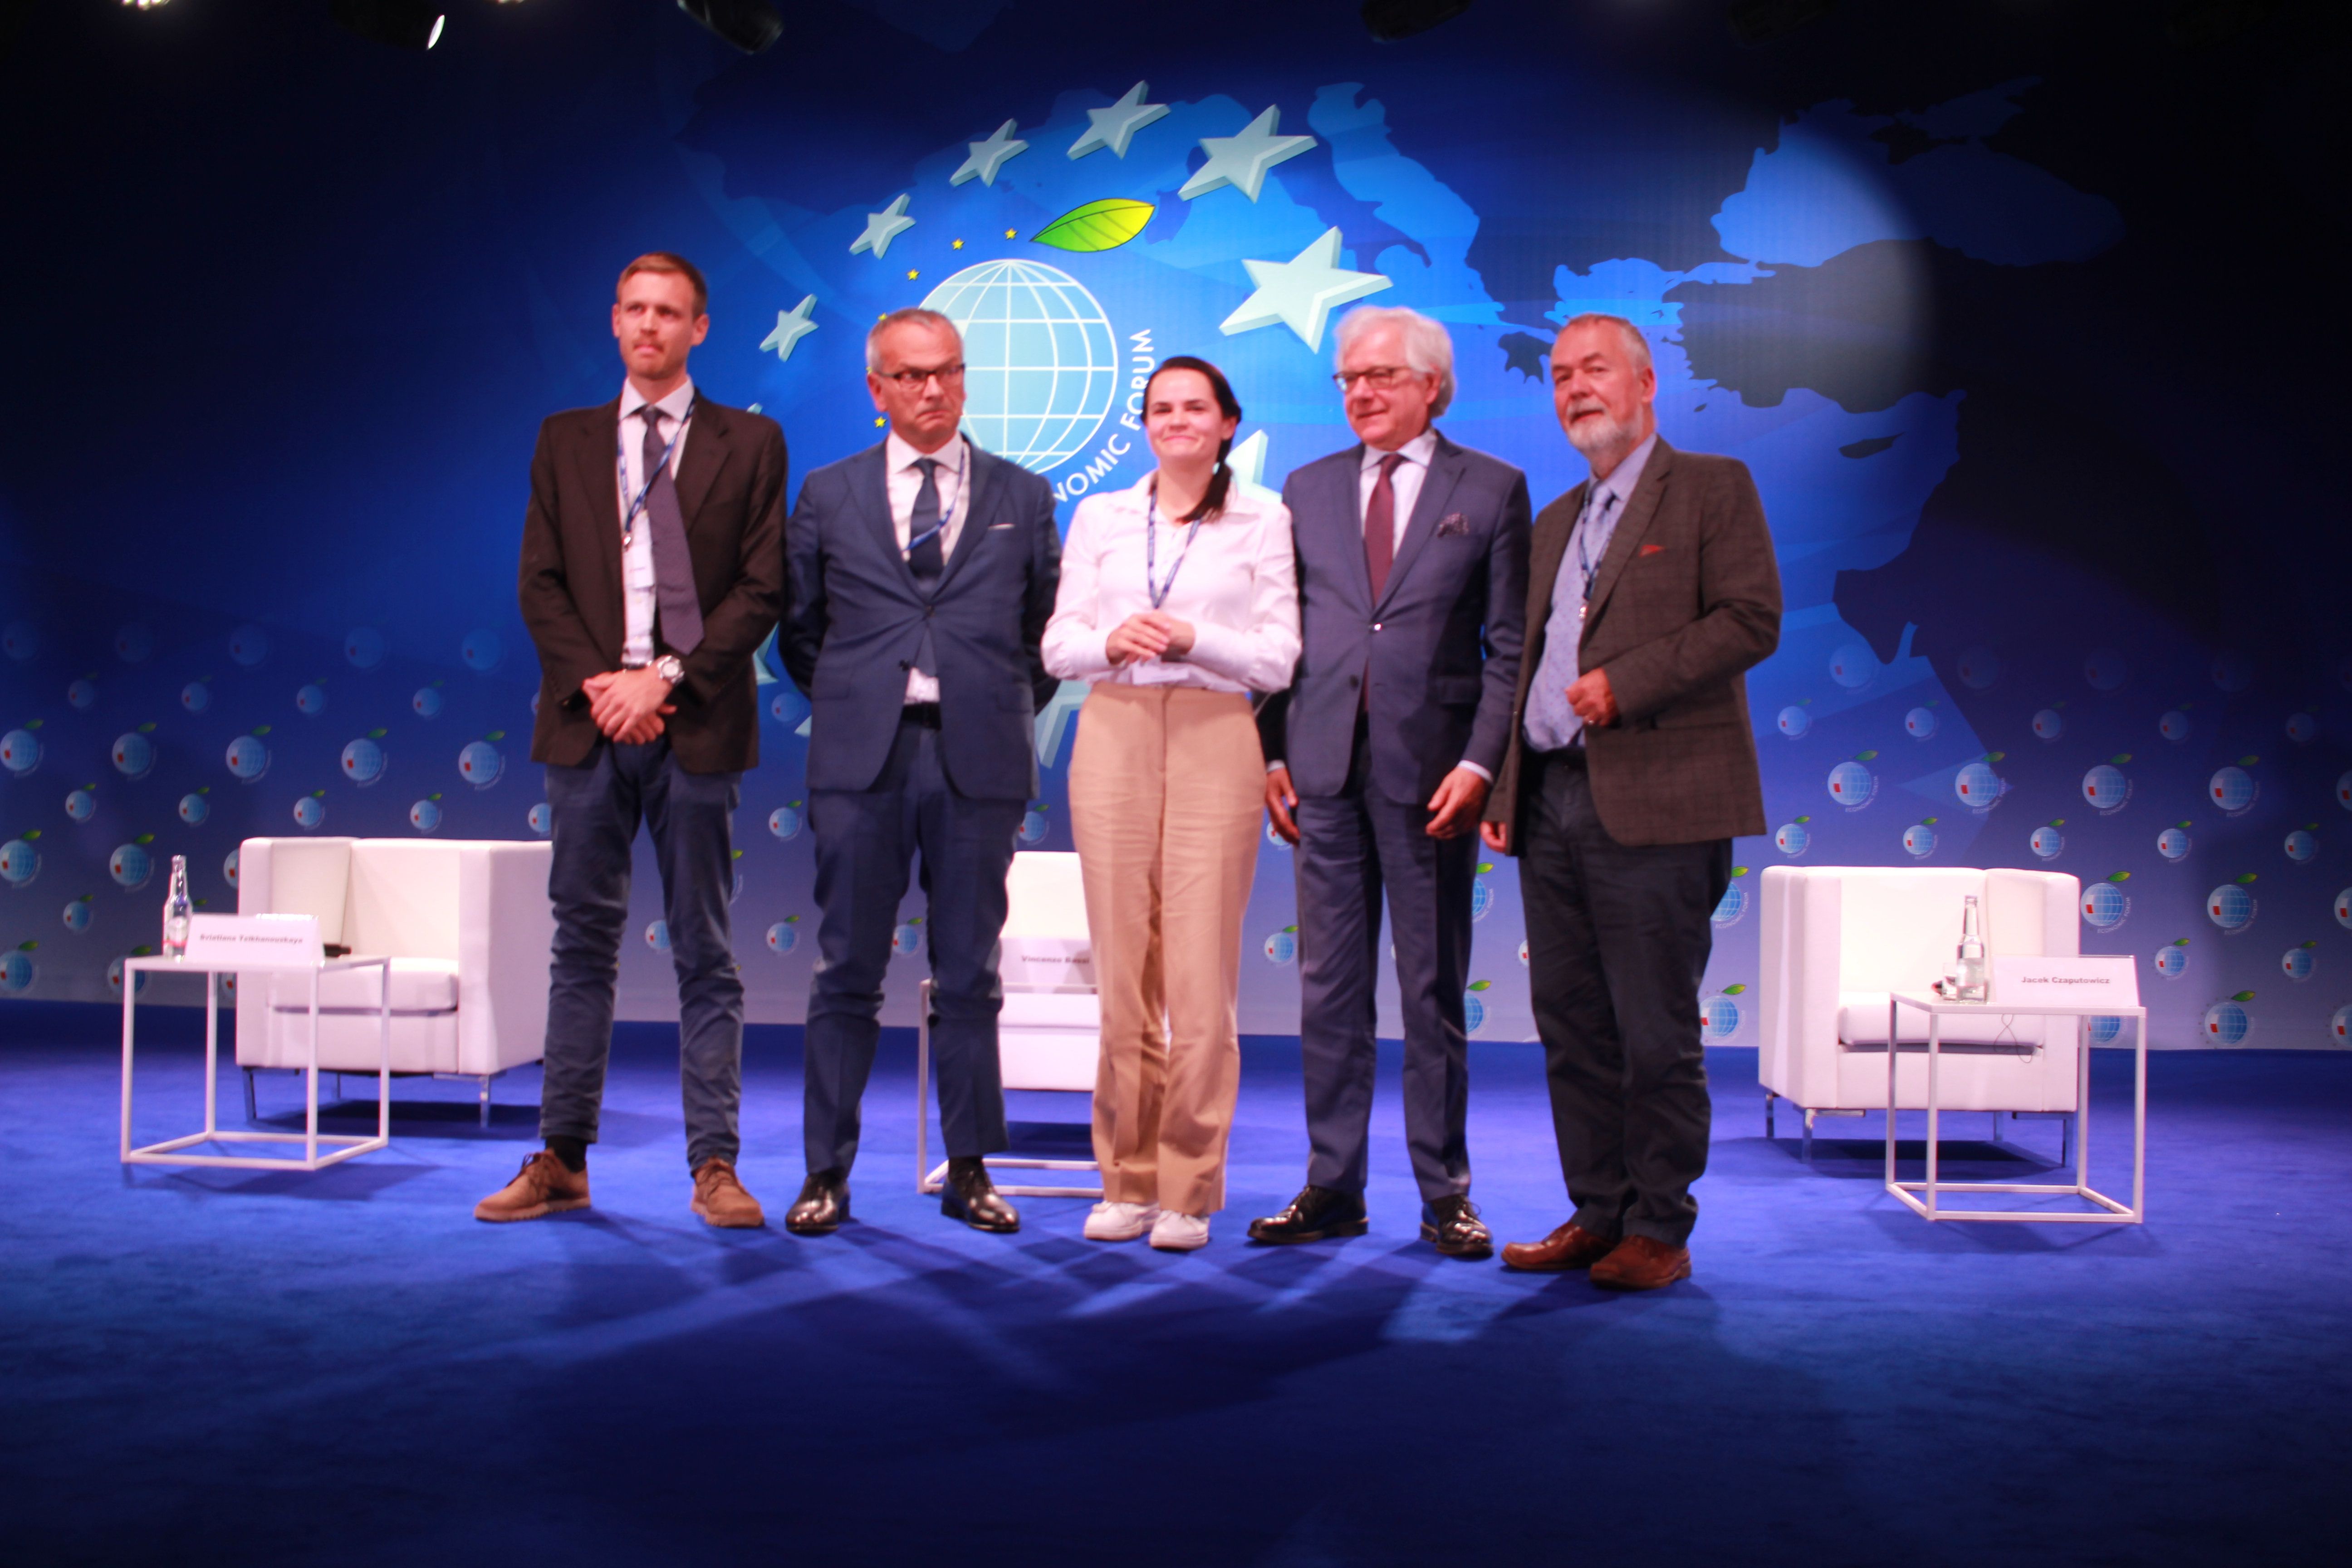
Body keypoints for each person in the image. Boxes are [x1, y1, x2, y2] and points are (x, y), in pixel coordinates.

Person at [480, 252, 787, 1227]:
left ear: (700, 329)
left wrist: (663, 679)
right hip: (588, 723)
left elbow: (762, 588)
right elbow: (539, 583)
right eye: (636, 309)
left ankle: (715, 1166)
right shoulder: (564, 438)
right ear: (614, 321)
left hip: (694, 718)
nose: (651, 325)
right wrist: (605, 684)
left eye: (670, 312)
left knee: (706, 950)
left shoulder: (751, 441)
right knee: (582, 943)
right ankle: (563, 1157)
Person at [1480, 313, 1781, 1291]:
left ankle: (1659, 1225)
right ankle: (1597, 1212)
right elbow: (1522, 666)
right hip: (1552, 800)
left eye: (1596, 370)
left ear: (1646, 384)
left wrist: (1628, 683)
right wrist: (1508, 781)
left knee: (1654, 1031)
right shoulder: (1555, 522)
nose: (1576, 389)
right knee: (1572, 1026)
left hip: (1659, 803)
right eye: (1561, 376)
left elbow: (1751, 618)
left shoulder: (1712, 488)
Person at [1251, 306, 1529, 1259]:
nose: (1361, 393)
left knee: (1432, 989)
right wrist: (1272, 753)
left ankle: (1445, 1193)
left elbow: (1510, 648)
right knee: (1328, 991)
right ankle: (1334, 1185)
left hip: (1435, 780)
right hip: (1321, 775)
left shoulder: (1492, 488)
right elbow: (1278, 638)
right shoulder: (1306, 488)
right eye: (1349, 379)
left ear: (1431, 385)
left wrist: (1481, 764)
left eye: (1380, 376)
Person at [779, 307, 1061, 1237]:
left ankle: (970, 1169)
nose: (933, 389)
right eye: (910, 375)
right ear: (877, 388)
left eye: (948, 371)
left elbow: (1046, 634)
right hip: (864, 759)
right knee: (846, 968)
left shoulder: (1025, 494)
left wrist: (986, 698)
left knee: (970, 973)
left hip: (979, 758)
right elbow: (802, 633)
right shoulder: (828, 493)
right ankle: (826, 1173)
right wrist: (865, 696)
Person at [1042, 357, 1300, 1252]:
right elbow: (1059, 644)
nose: (1177, 420)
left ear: (1228, 423)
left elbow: (1279, 657)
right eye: (1161, 408)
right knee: (1124, 975)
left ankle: (1189, 1187)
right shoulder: (1102, 516)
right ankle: (1126, 1178)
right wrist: (1111, 641)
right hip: (1113, 724)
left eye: (1196, 407)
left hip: (1215, 729)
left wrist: (1195, 637)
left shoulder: (1266, 517)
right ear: (1145, 423)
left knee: (1199, 979)